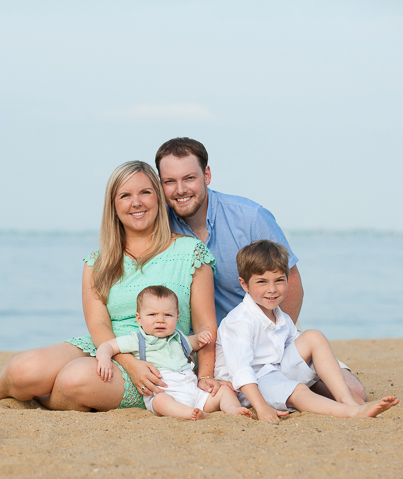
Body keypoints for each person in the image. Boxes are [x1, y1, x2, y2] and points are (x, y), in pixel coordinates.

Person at [0, 161, 223, 410]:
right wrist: (128, 362)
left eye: (145, 192)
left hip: (159, 363)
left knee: (73, 380)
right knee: (21, 369)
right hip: (106, 348)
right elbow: (99, 326)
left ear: (158, 198)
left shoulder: (190, 252)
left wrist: (206, 376)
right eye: (125, 195)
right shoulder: (97, 262)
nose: (136, 202)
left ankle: (37, 394)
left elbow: (205, 328)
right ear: (113, 206)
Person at [154, 137, 366, 402]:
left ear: (206, 175)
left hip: (267, 334)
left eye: (189, 178)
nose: (180, 189)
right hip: (214, 349)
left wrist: (274, 347)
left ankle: (288, 379)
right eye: (169, 181)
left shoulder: (250, 217)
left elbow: (291, 281)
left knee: (355, 393)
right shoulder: (159, 224)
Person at [215, 240, 399, 423]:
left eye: (279, 280)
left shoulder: (280, 316)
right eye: (262, 282)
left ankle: (349, 402)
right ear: (244, 284)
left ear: (287, 278)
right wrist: (262, 407)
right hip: (249, 387)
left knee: (313, 337)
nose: (272, 289)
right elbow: (241, 371)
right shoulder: (239, 321)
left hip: (275, 370)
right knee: (299, 391)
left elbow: (300, 351)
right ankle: (350, 412)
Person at [96, 285, 252, 420]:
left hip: (194, 392)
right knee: (159, 402)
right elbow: (108, 345)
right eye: (152, 315)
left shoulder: (178, 337)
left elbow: (192, 344)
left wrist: (200, 339)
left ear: (176, 318)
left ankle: (232, 409)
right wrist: (104, 358)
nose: (160, 320)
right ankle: (188, 413)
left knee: (224, 391)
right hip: (167, 392)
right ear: (139, 319)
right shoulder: (138, 339)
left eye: (167, 315)